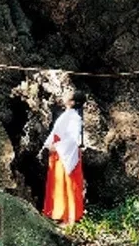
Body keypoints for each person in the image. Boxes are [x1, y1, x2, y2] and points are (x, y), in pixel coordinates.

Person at [40, 89, 85, 225]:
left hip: (65, 152)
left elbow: (72, 139)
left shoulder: (75, 118)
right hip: (58, 152)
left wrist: (57, 146)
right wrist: (49, 145)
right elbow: (55, 132)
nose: (64, 95)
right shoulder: (67, 115)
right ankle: (58, 212)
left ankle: (70, 215)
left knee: (68, 183)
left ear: (72, 102)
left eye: (68, 95)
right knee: (58, 183)